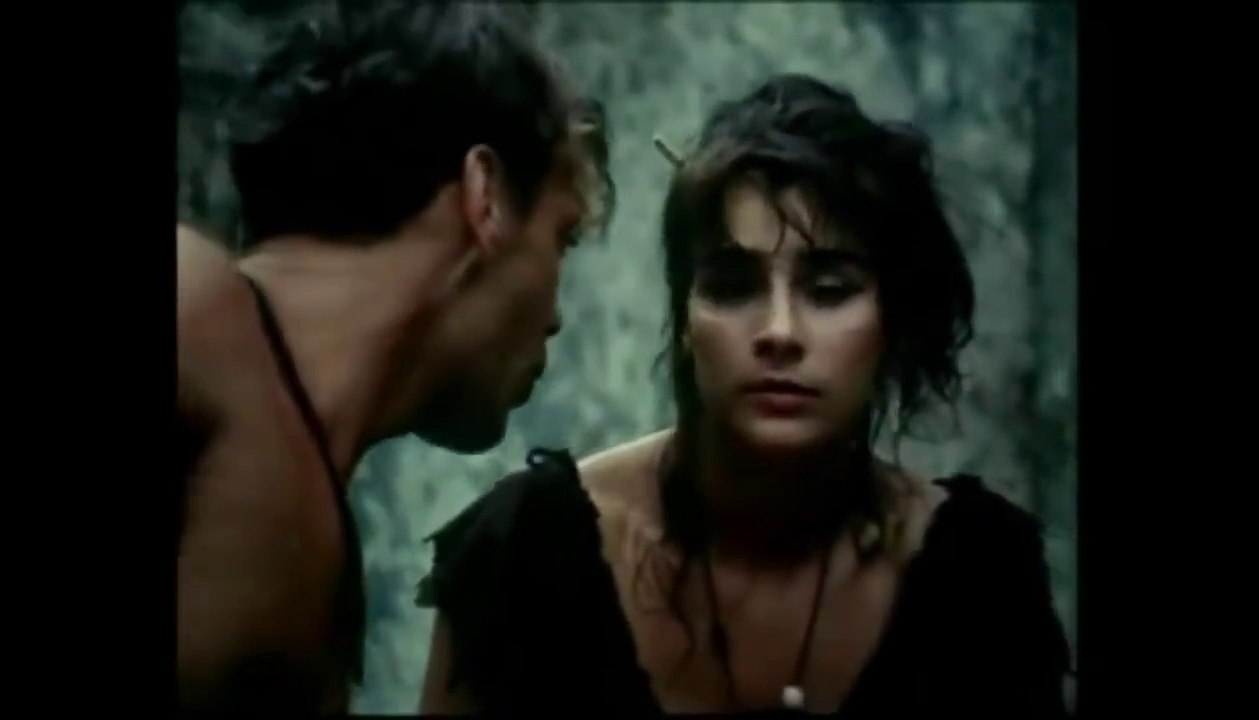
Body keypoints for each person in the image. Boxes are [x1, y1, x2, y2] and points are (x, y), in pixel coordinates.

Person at [416, 74, 1070, 716]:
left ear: (891, 324)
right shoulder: (528, 555)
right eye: (733, 286)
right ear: (685, 321)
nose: (778, 332)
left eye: (829, 290)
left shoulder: (978, 574)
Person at [176, 1, 613, 713]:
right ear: (485, 198)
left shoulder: (321, 532)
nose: (558, 316)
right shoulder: (192, 308)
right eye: (561, 238)